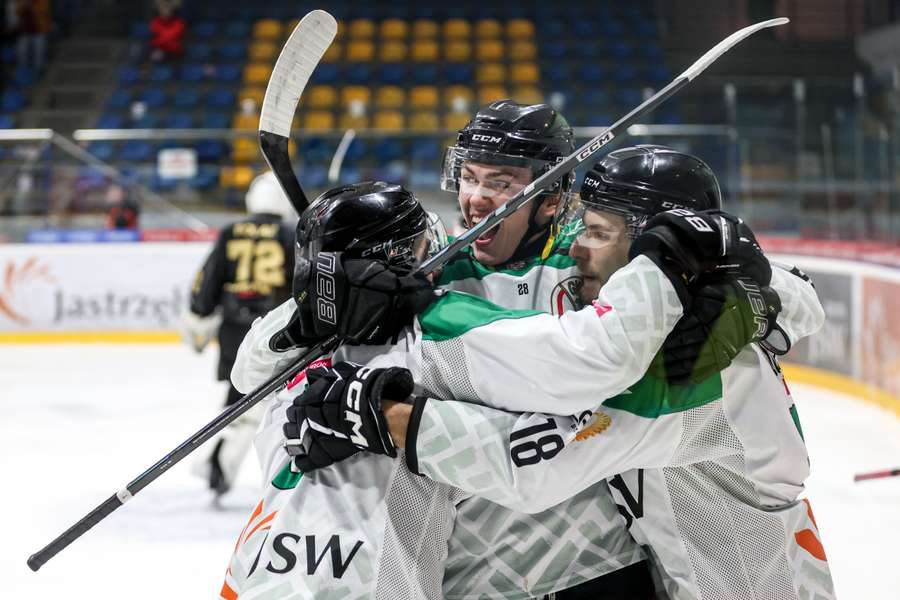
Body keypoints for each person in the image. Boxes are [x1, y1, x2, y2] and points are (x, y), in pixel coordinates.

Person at [296, 146, 836, 599]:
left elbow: (529, 465)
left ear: (658, 252)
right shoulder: (699, 314)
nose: (575, 244)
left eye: (596, 232)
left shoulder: (695, 364)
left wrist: (380, 415)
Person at [183, 171, 296, 501]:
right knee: (268, 403)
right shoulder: (290, 233)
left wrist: (199, 317)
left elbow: (206, 282)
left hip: (233, 330)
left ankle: (218, 459)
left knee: (239, 396)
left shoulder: (231, 232)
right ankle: (222, 461)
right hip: (274, 329)